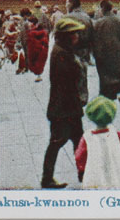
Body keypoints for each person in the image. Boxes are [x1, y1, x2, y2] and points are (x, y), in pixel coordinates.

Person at [42, 17, 88, 189]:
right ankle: (47, 178)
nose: (77, 36)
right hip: (63, 108)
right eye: (74, 33)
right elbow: (69, 77)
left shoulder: (64, 51)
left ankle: (83, 173)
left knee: (79, 140)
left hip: (69, 107)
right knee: (57, 142)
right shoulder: (61, 54)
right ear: (66, 36)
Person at [74, 96, 120, 189]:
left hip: (95, 176)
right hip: (118, 176)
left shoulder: (87, 137)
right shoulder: (115, 133)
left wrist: (82, 169)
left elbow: (80, 157)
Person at [93, 0, 120, 110]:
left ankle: (106, 102)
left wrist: (95, 54)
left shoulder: (98, 23)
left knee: (105, 79)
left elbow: (94, 40)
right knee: (118, 77)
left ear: (102, 9)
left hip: (103, 56)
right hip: (119, 54)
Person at [25, 16, 50, 82]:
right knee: (39, 64)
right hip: (42, 51)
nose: (28, 24)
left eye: (29, 23)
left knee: (35, 64)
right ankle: (38, 75)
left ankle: (37, 76)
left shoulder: (31, 33)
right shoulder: (43, 31)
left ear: (32, 23)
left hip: (35, 52)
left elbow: (32, 45)